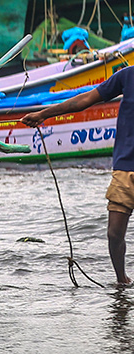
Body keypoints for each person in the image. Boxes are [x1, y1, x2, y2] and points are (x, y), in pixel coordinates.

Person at [21, 71, 133, 286]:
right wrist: (44, 114)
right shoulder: (127, 77)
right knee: (114, 233)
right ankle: (122, 282)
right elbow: (84, 100)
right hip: (125, 168)